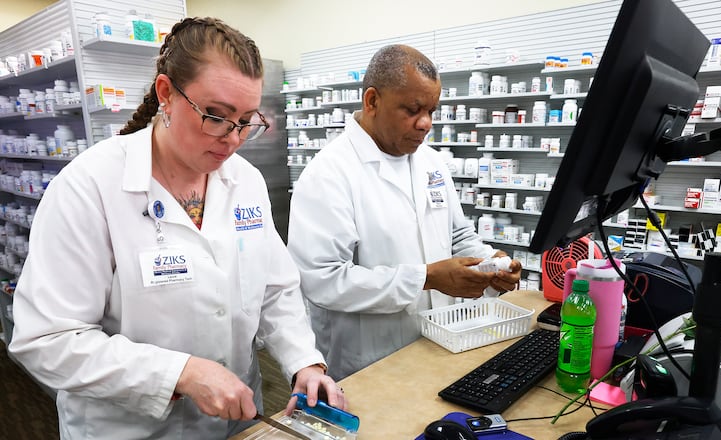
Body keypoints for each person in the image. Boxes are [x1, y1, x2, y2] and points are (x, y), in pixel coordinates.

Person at [9, 17, 345, 439]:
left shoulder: (245, 181)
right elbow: (47, 339)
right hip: (131, 430)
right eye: (216, 116)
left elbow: (275, 289)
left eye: (246, 120)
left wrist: (304, 362)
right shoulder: (90, 186)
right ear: (166, 93)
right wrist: (178, 372)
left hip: (236, 421)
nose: (233, 138)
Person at [287, 44, 522, 380]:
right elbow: (323, 281)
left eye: (431, 111)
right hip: (369, 361)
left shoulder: (431, 161)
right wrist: (425, 278)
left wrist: (491, 263)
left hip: (439, 341)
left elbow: (457, 235)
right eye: (412, 110)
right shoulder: (328, 174)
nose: (425, 124)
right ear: (372, 101)